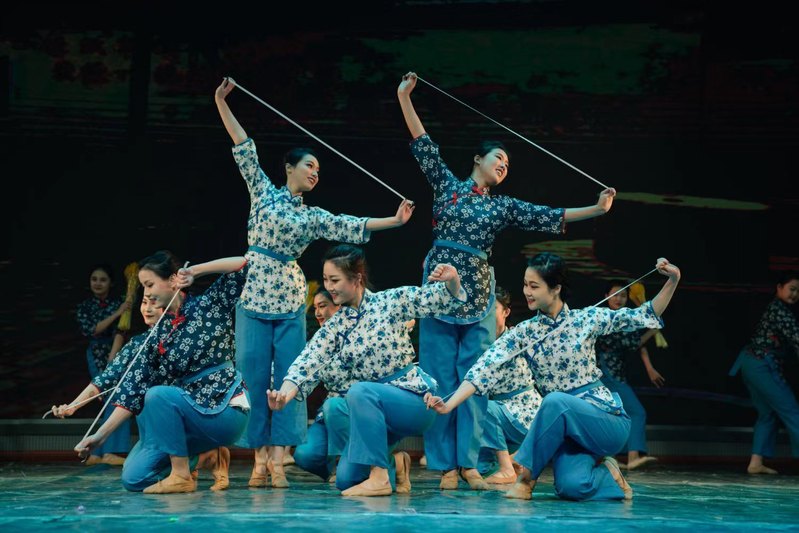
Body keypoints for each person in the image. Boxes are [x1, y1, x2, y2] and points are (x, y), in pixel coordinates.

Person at [398, 71, 617, 490]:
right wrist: (404, 96)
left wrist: (596, 210)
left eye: (508, 164)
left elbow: (546, 214)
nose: (503, 164)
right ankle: (445, 467)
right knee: (439, 377)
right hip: (438, 288)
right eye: (498, 157)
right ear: (477, 160)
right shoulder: (446, 187)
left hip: (478, 292)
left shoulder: (502, 206)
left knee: (476, 377)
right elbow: (423, 143)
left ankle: (468, 465)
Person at [215, 78, 415, 487]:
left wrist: (394, 221)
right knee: (253, 375)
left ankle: (278, 460)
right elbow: (243, 146)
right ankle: (258, 460)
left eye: (319, 171)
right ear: (289, 168)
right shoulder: (262, 192)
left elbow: (351, 224)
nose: (315, 174)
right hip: (253, 293)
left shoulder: (312, 216)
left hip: (289, 297)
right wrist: (221, 101)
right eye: (309, 166)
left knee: (292, 376)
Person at [426, 253, 680, 501]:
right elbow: (483, 368)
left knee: (556, 400)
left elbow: (645, 314)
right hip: (570, 433)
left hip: (605, 421)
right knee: (572, 487)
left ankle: (526, 480)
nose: (527, 292)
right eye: (525, 284)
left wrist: (673, 280)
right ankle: (610, 475)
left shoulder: (586, 318)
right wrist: (448, 405)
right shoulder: (524, 332)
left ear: (556, 288)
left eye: (534, 286)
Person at [269, 244, 466, 496]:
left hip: (413, 401)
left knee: (359, 391)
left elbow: (438, 298)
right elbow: (308, 360)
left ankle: (380, 478)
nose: (329, 286)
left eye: (334, 280)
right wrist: (285, 393)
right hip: (372, 413)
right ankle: (394, 465)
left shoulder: (390, 301)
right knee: (346, 480)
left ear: (357, 279)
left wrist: (453, 280)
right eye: (326, 279)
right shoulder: (336, 326)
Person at [74, 251, 250, 494]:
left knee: (157, 395)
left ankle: (181, 475)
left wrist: (194, 271)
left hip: (223, 409)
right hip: (187, 420)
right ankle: (205, 458)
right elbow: (129, 391)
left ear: (172, 281)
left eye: (149, 285)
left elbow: (243, 264)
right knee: (134, 478)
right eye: (144, 290)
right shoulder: (156, 336)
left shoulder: (209, 304)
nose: (146, 294)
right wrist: (99, 437)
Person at [729, 272, 799, 474]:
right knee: (792, 411)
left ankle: (755, 462)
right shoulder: (781, 312)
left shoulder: (777, 309)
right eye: (792, 289)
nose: (795, 294)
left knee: (767, 414)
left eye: (798, 292)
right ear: (779, 287)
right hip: (762, 365)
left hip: (750, 364)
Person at [476, 286, 543, 484]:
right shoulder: (478, 344)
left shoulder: (514, 338)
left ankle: (507, 468)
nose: (487, 316)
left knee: (482, 407)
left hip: (523, 414)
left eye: (493, 309)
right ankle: (512, 460)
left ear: (505, 312)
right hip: (500, 417)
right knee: (479, 469)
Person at [595, 280, 663, 470]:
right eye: (615, 294)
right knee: (636, 412)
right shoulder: (605, 318)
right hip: (607, 374)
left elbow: (637, 344)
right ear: (606, 296)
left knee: (613, 416)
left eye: (623, 295)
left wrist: (650, 369)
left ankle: (611, 458)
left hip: (613, 374)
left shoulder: (625, 318)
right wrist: (653, 330)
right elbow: (633, 343)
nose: (619, 298)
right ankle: (632, 457)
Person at [76, 264, 132, 465]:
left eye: (103, 279)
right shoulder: (85, 307)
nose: (98, 283)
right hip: (96, 353)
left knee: (117, 397)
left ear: (111, 283)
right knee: (108, 398)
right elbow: (92, 330)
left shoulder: (120, 302)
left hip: (116, 352)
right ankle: (105, 452)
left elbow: (121, 330)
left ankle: (102, 453)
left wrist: (113, 357)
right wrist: (117, 312)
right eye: (94, 279)